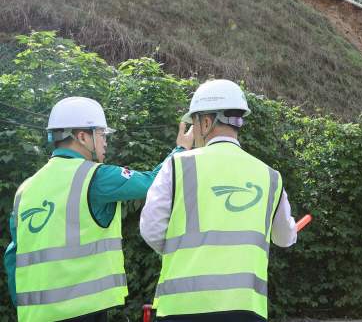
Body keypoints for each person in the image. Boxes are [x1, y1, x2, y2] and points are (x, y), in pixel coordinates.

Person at [4, 96, 194, 322]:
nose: (105, 142)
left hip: (33, 315)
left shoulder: (25, 189)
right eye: (102, 135)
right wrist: (181, 148)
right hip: (80, 311)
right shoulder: (96, 176)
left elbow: (13, 257)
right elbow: (153, 181)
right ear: (82, 136)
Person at [140, 79, 297, 322]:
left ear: (206, 122)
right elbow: (285, 238)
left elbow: (151, 230)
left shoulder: (178, 164)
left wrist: (182, 252)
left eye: (194, 123)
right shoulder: (270, 176)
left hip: (183, 307)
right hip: (245, 308)